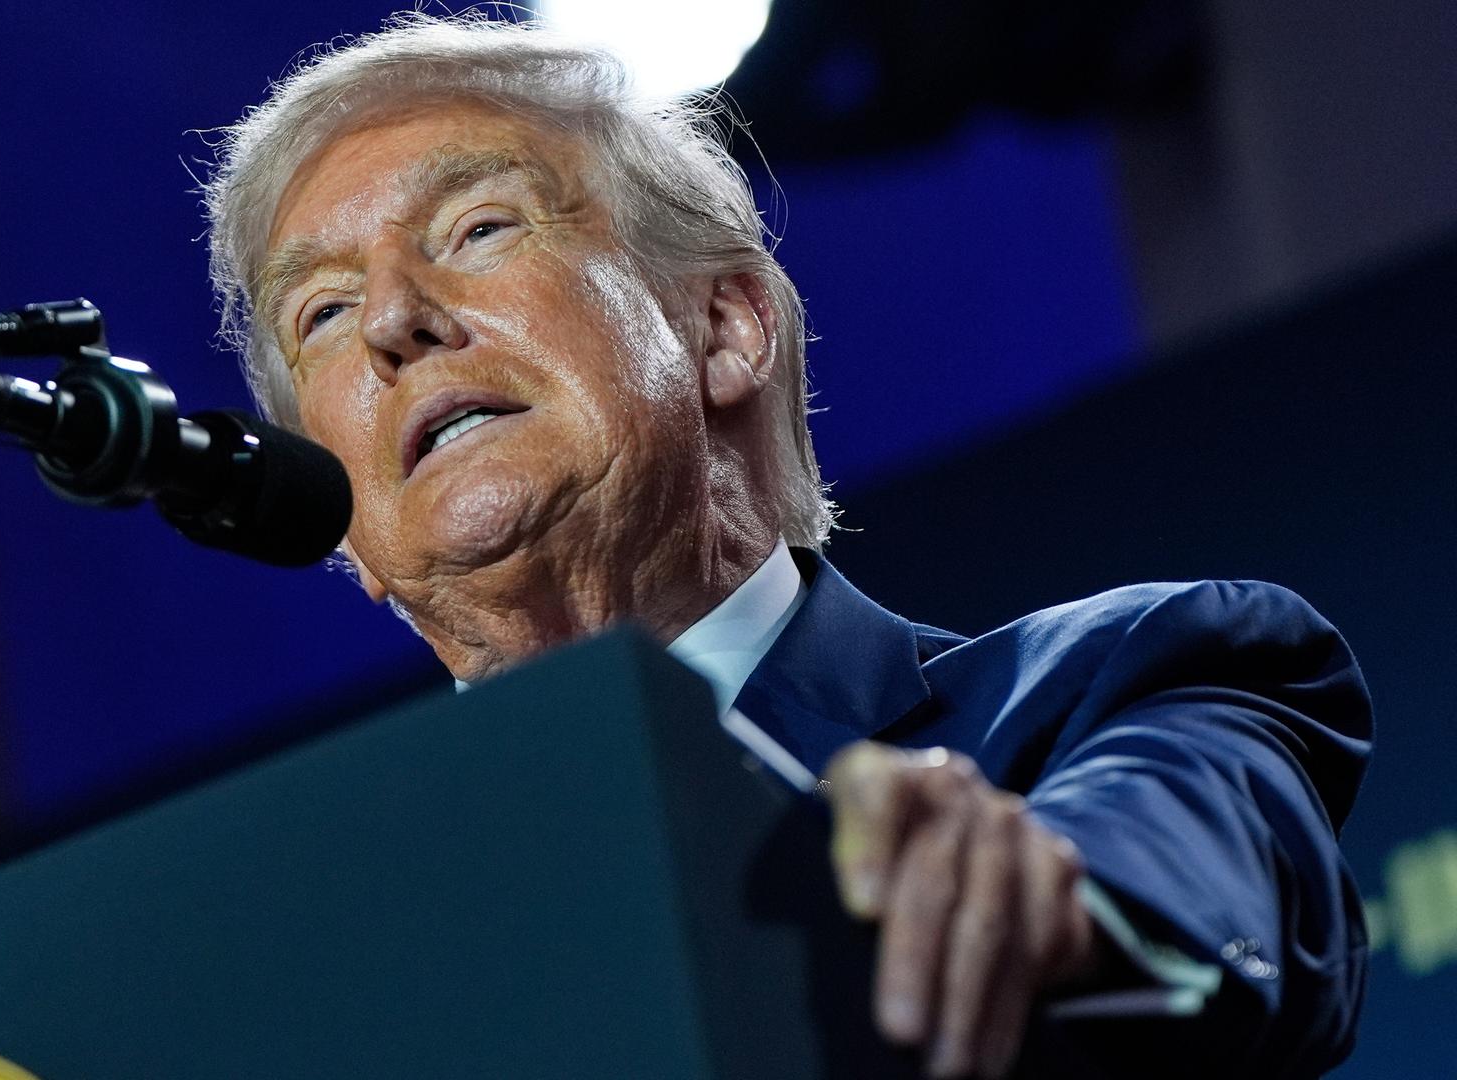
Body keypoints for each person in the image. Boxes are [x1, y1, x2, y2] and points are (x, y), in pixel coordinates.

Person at [200, 13, 1371, 1078]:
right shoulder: (312, 956)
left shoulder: (1129, 682)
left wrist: (1047, 897)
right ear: (341, 527)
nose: (396, 320)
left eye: (479, 226)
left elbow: (1178, 871)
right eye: (325, 315)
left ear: (723, 327)